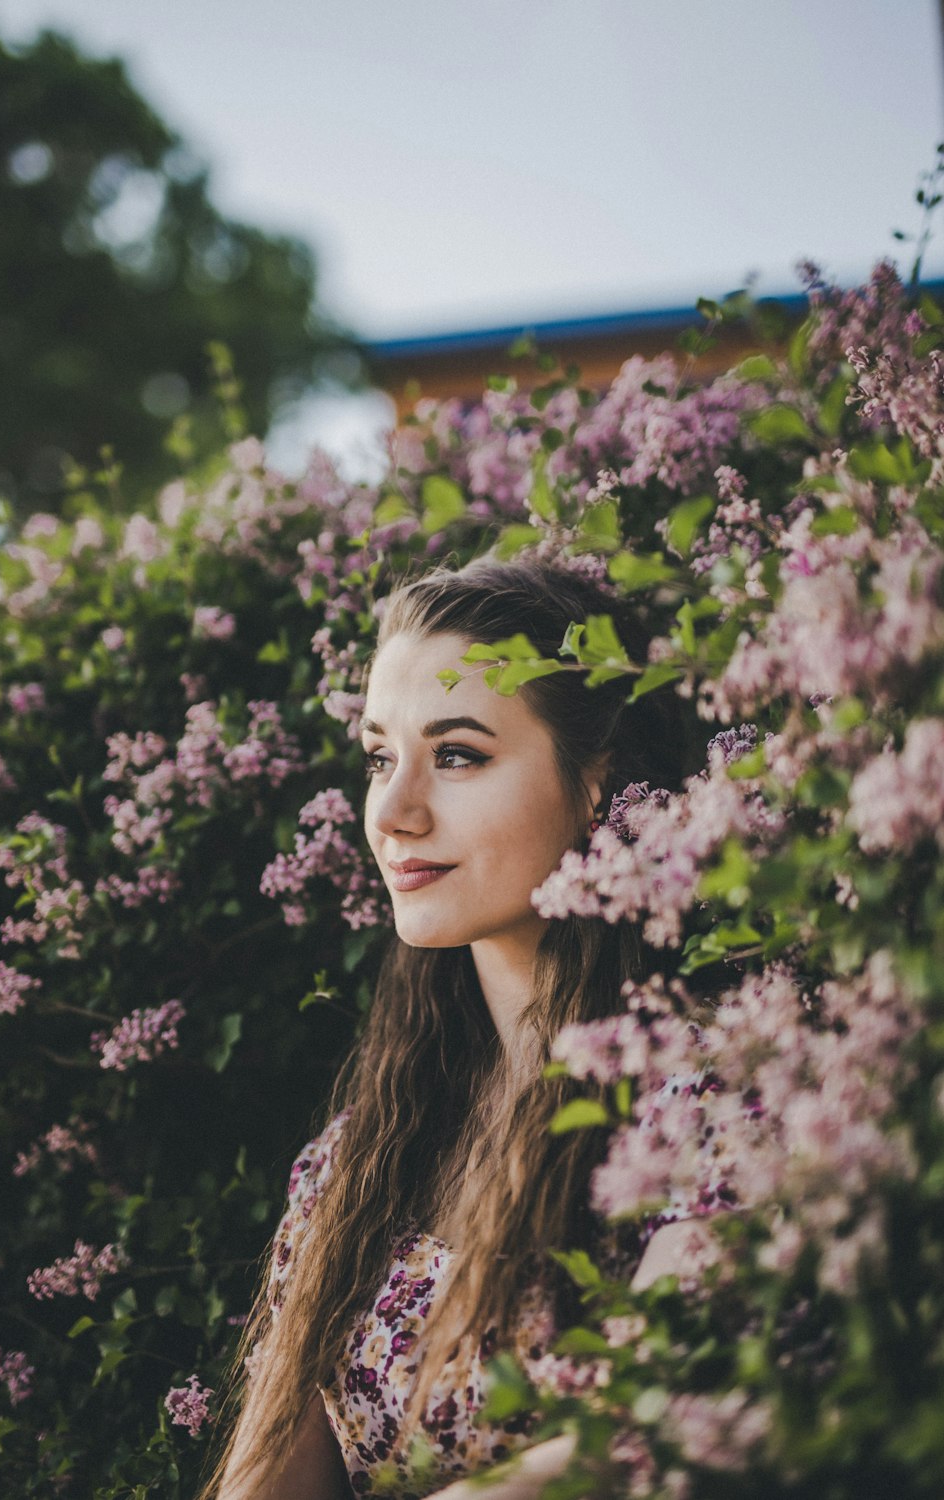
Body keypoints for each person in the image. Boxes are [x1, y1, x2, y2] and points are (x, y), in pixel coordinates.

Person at [207, 555, 693, 1500]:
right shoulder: (355, 1164)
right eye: (380, 757)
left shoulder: (712, 1103)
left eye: (459, 754)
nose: (393, 812)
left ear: (597, 783)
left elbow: (662, 1432)